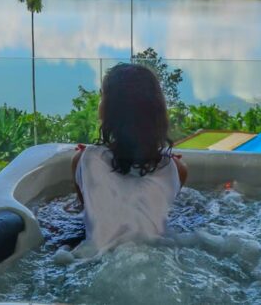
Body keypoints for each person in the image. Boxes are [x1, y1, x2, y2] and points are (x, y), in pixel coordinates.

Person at [69, 63, 187, 255]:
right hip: (158, 256)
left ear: (107, 111)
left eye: (102, 97)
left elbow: (86, 213)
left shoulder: (85, 160)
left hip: (99, 260)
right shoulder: (177, 169)